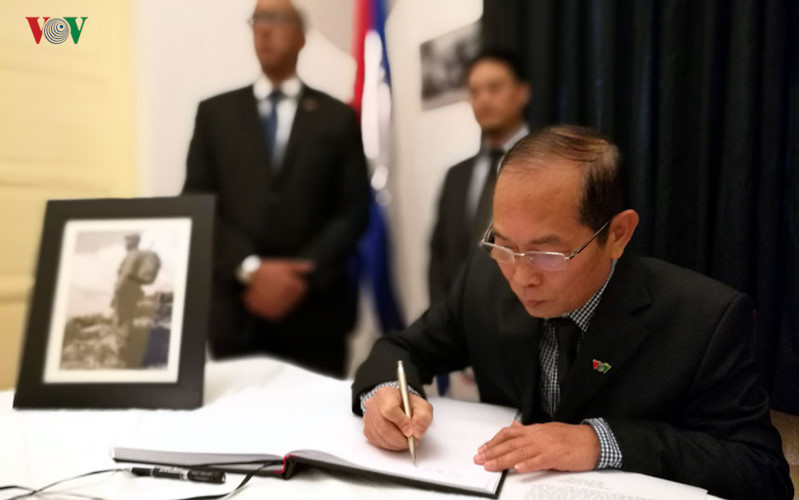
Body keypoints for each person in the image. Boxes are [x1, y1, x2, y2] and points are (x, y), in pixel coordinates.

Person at [352, 125, 793, 499]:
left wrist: (600, 442)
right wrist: (385, 396)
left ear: (617, 234)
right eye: (503, 244)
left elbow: (761, 470)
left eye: (546, 253)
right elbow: (402, 348)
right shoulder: (485, 279)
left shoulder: (704, 317)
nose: (521, 277)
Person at [182, 0, 369, 378]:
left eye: (276, 19)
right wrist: (250, 268)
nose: (264, 29)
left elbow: (353, 210)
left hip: (316, 315)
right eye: (257, 19)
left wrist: (301, 274)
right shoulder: (215, 114)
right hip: (236, 314)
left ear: (301, 37)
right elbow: (197, 202)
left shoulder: (338, 117)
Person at [429, 49, 531, 305]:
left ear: (522, 93)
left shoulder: (547, 167)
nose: (483, 100)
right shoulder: (456, 175)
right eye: (474, 92)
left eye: (494, 88)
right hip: (458, 318)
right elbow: (439, 257)